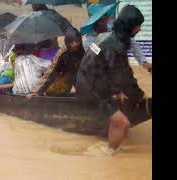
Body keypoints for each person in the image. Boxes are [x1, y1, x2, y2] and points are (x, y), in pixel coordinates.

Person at [76, 5, 150, 155]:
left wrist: (118, 91)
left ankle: (110, 141)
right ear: (129, 26)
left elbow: (109, 68)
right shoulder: (115, 45)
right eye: (138, 26)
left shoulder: (108, 36)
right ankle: (108, 155)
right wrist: (141, 95)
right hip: (90, 88)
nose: (139, 30)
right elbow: (123, 75)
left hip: (88, 79)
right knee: (123, 123)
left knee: (121, 110)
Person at [81, 3, 152, 72]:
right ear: (94, 22)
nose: (105, 23)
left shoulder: (112, 28)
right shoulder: (88, 41)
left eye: (105, 19)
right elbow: (99, 56)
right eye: (101, 21)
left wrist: (143, 61)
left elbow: (132, 42)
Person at [27, 28, 85, 98]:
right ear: (67, 43)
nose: (75, 44)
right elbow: (51, 71)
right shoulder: (62, 53)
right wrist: (37, 91)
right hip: (64, 80)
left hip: (81, 76)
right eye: (72, 42)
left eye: (77, 41)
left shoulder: (85, 49)